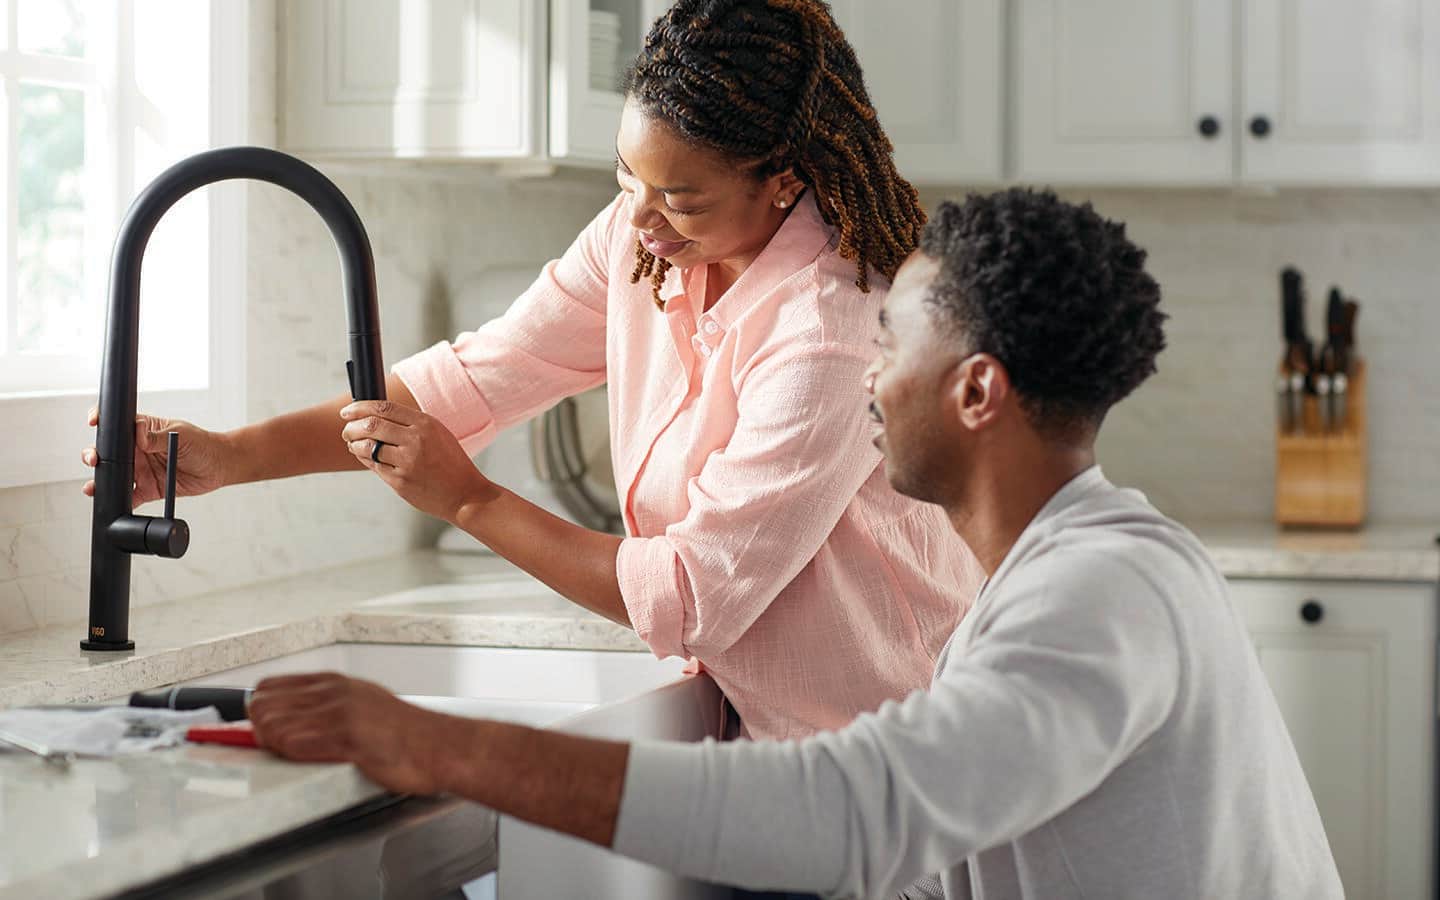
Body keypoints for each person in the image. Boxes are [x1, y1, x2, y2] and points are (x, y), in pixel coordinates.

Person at [248, 189, 1344, 899]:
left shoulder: (1097, 597)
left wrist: (438, 747)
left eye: (890, 344)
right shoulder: (1083, 568)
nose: (866, 376)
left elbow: (855, 813)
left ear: (976, 392)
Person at [82, 0, 982, 741]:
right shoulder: (643, 241)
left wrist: (470, 501)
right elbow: (470, 381)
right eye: (628, 178)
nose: (643, 220)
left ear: (785, 178)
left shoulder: (834, 331)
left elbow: (692, 596)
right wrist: (230, 455)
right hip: (765, 735)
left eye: (681, 199)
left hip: (889, 767)